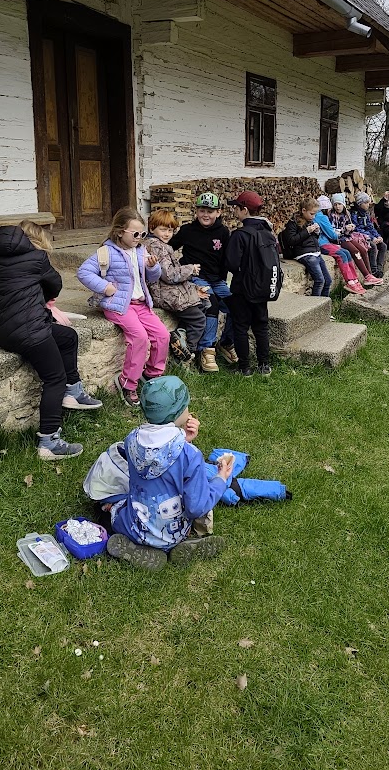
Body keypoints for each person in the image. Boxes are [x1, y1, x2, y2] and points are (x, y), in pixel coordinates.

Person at [0, 220, 101, 461]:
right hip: (34, 333)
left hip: (5, 334)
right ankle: (49, 442)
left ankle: (74, 391)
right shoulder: (36, 259)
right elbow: (55, 285)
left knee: (68, 337)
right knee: (54, 378)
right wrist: (39, 295)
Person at [105, 376, 234, 570]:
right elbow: (196, 507)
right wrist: (220, 480)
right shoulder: (190, 455)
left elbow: (159, 457)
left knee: (112, 509)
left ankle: (138, 545)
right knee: (191, 511)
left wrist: (184, 439)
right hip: (174, 532)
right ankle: (179, 545)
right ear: (179, 411)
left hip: (135, 527)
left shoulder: (131, 439)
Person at [77, 207, 169, 409]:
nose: (139, 238)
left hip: (141, 304)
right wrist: (105, 287)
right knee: (139, 337)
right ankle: (128, 384)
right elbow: (84, 272)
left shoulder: (141, 250)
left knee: (162, 335)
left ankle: (152, 375)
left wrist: (153, 267)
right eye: (135, 234)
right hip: (119, 306)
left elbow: (152, 278)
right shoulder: (107, 252)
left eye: (142, 234)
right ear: (120, 232)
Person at [170, 191, 236, 374]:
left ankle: (226, 342)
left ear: (218, 212)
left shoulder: (223, 232)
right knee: (211, 303)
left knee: (237, 305)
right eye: (202, 210)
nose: (205, 215)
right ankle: (206, 350)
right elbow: (169, 247)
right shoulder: (187, 231)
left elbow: (226, 259)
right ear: (196, 211)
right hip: (197, 278)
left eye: (210, 211)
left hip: (217, 280)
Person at [224, 190, 281, 377]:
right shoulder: (268, 233)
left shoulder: (239, 235)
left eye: (237, 207)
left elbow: (231, 264)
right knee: (261, 326)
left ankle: (245, 368)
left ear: (245, 210)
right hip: (262, 288)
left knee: (240, 327)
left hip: (242, 288)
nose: (235, 211)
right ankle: (264, 365)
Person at [145, 209, 210, 365]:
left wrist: (194, 288)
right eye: (163, 229)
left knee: (204, 303)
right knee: (199, 320)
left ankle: (180, 335)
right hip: (164, 293)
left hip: (169, 290)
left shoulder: (161, 245)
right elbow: (168, 275)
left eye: (170, 230)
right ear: (152, 228)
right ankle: (187, 353)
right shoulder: (157, 247)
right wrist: (190, 269)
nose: (167, 234)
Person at [281, 197, 332, 297]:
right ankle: (315, 304)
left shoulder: (310, 220)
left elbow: (312, 239)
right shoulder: (293, 223)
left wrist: (317, 232)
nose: (313, 216)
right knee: (320, 280)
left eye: (315, 214)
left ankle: (325, 303)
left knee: (328, 281)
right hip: (305, 254)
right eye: (312, 214)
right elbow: (291, 240)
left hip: (316, 253)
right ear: (303, 210)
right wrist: (307, 231)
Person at [314, 195, 365, 294]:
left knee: (347, 252)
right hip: (322, 244)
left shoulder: (317, 216)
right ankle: (350, 281)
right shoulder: (322, 217)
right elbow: (333, 235)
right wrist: (343, 230)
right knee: (342, 254)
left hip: (324, 242)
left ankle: (354, 280)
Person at [328, 193, 381, 286]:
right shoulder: (332, 215)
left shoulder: (346, 214)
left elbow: (350, 228)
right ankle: (366, 276)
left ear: (343, 204)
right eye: (335, 204)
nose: (337, 207)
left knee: (363, 250)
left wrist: (351, 228)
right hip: (339, 240)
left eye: (339, 204)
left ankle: (370, 275)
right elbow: (333, 231)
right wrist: (345, 229)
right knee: (355, 252)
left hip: (348, 236)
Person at [350, 192, 387, 280]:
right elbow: (357, 229)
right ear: (360, 204)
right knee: (373, 246)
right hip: (360, 237)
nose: (368, 205)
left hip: (369, 236)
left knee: (383, 246)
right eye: (366, 203)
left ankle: (379, 269)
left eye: (368, 202)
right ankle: (373, 271)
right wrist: (371, 238)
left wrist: (377, 236)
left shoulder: (366, 213)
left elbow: (370, 227)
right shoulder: (354, 213)